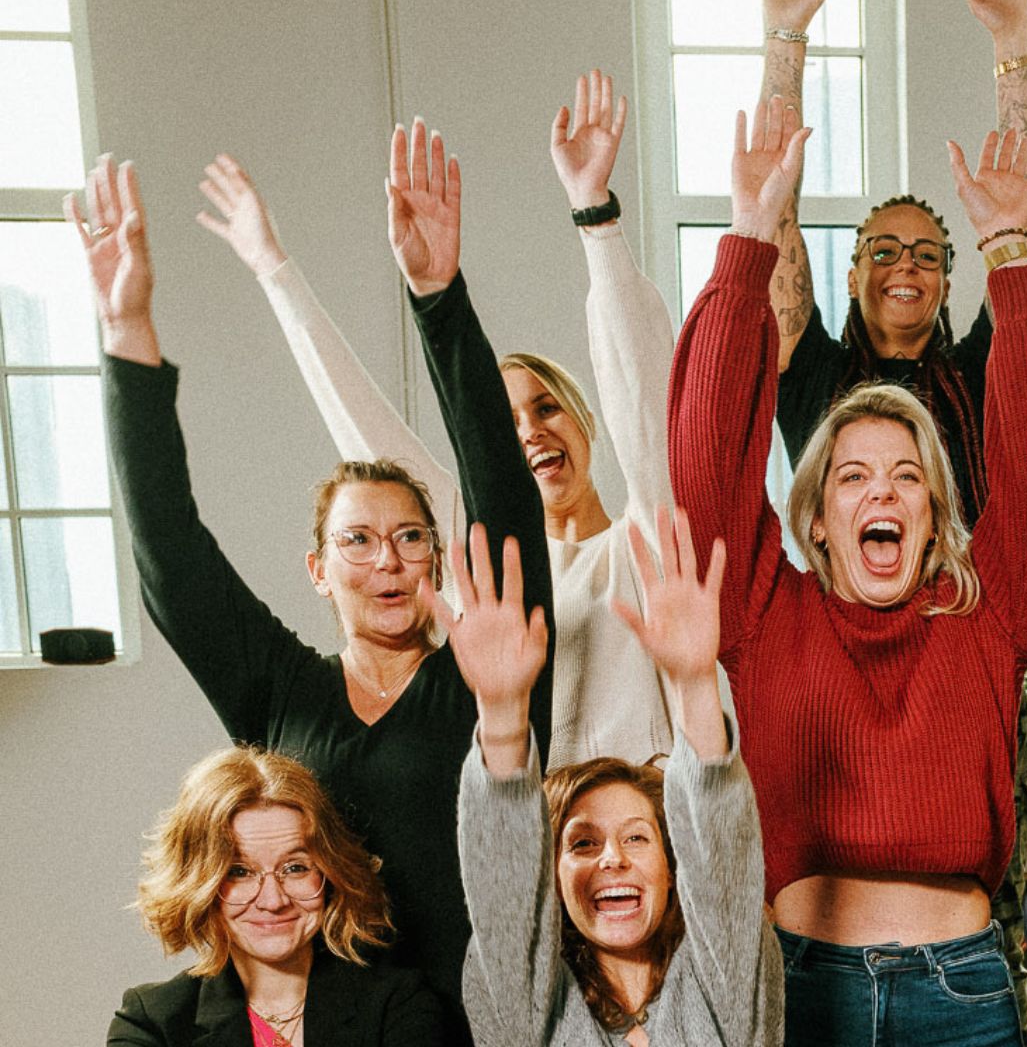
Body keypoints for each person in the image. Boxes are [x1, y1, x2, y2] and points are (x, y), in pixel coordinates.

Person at [88, 125, 552, 1045]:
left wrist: (438, 296)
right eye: (359, 541)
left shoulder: (487, 668)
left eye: (411, 536)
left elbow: (505, 498)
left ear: (436, 556)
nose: (387, 560)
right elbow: (171, 560)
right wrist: (126, 332)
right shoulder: (280, 692)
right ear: (318, 569)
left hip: (494, 1023)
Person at [668, 96, 1027, 1046]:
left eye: (908, 477)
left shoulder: (985, 612)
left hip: (964, 996)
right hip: (800, 989)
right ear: (816, 518)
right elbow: (705, 459)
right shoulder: (764, 610)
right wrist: (743, 242)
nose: (883, 494)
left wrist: (1013, 257)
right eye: (853, 476)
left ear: (937, 515)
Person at [194, 70, 680, 768]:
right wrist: (277, 271)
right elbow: (369, 433)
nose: (530, 433)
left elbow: (645, 395)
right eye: (508, 422)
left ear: (587, 423)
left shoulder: (644, 545)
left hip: (639, 851)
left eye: (547, 407)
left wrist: (594, 213)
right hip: (525, 842)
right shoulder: (486, 565)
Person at [449, 506, 781, 1046]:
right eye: (581, 843)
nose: (612, 858)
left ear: (674, 870)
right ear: (550, 878)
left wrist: (696, 686)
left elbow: (722, 869)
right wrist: (504, 716)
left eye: (636, 837)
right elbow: (505, 899)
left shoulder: (726, 978)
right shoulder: (523, 1008)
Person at [758, 0, 1027, 525]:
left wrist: (1013, 46)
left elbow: (1026, 233)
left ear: (944, 286)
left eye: (927, 255)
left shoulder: (978, 371)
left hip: (966, 607)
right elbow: (773, 213)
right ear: (852, 276)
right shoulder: (813, 371)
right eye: (885, 251)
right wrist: (785, 34)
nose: (907, 266)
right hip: (837, 610)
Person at [109, 746, 443, 1046]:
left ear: (330, 874)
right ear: (200, 883)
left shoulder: (398, 1005)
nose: (273, 900)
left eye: (295, 868)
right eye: (240, 871)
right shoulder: (150, 1023)